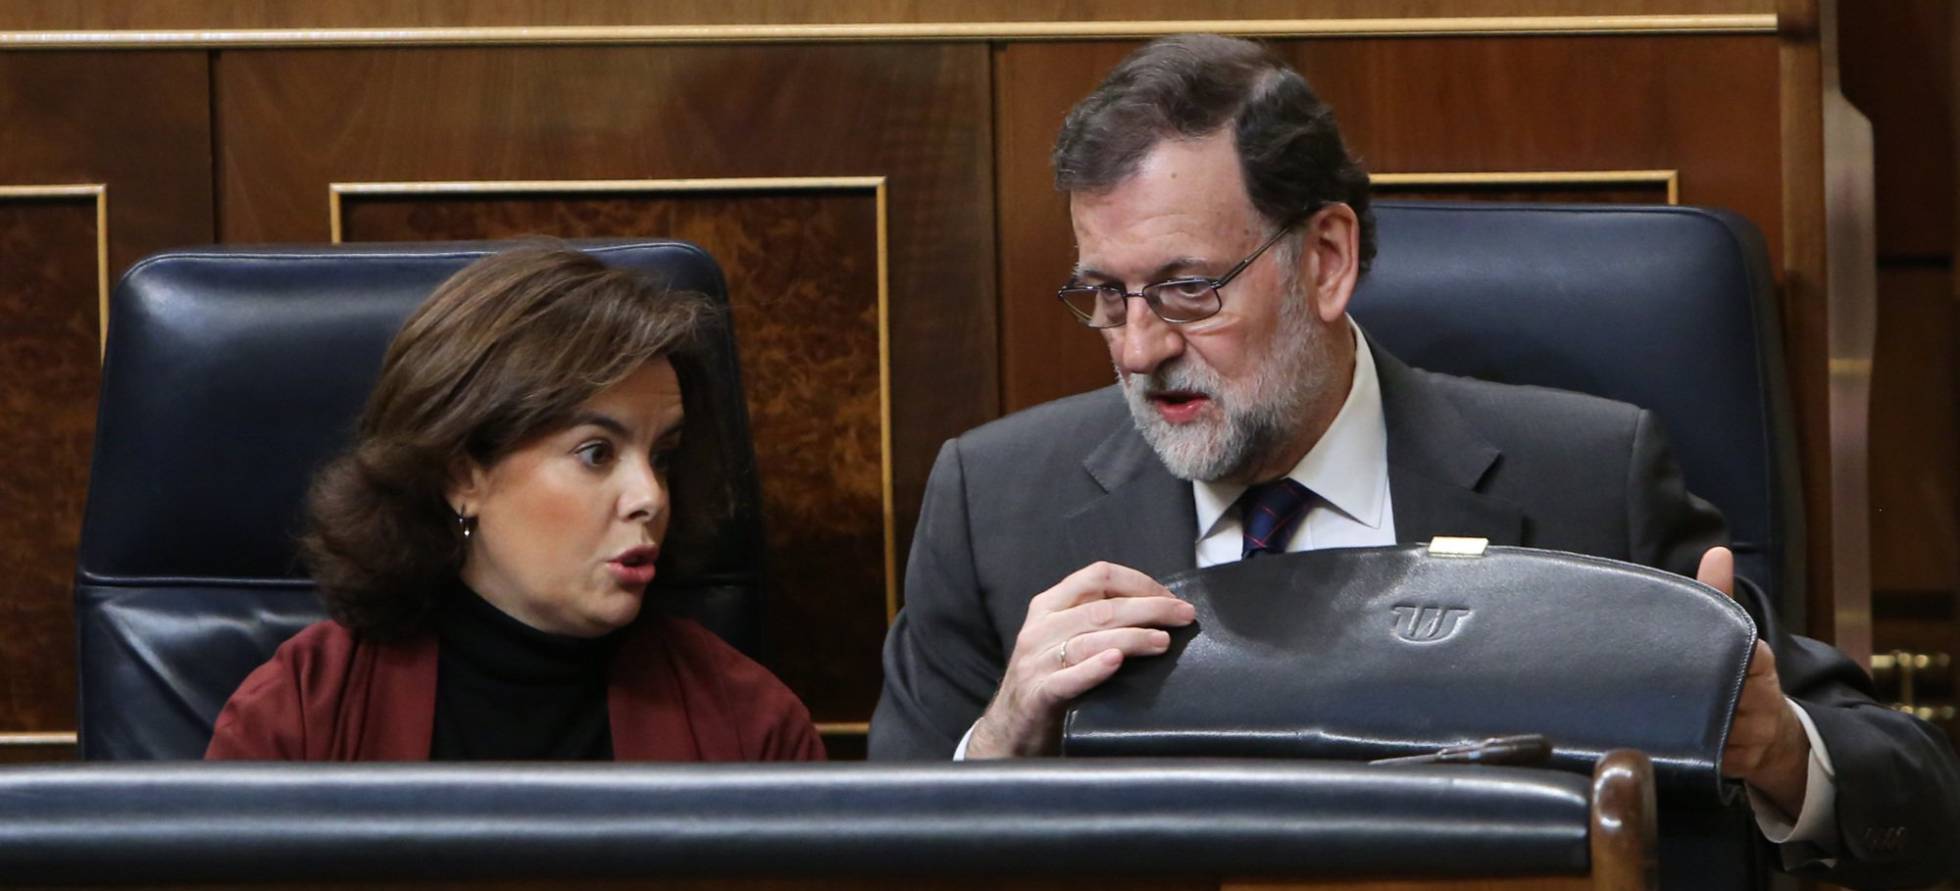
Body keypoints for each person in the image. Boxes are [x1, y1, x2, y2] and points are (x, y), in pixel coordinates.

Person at [868, 34, 1957, 888]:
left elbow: (1914, 792)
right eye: (1104, 295)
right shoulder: (996, 503)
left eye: (1187, 288)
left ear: (1326, 261)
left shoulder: (1584, 478)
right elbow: (866, 852)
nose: (1141, 347)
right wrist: (1000, 747)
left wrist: (1772, 748)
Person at [207, 244, 823, 762]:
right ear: (462, 475)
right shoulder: (299, 717)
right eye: (596, 454)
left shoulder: (751, 726)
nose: (650, 497)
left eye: (661, 457)